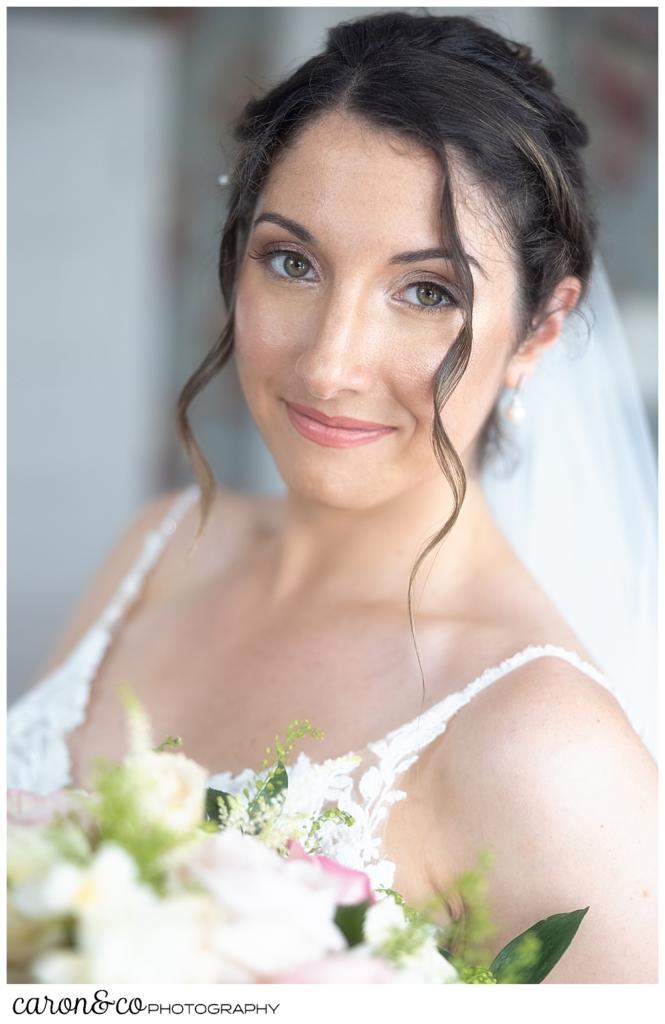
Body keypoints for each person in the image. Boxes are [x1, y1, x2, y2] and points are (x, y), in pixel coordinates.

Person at [8, 11, 656, 982]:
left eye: (426, 290)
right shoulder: (166, 543)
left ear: (540, 330)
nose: (329, 362)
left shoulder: (546, 748)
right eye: (293, 262)